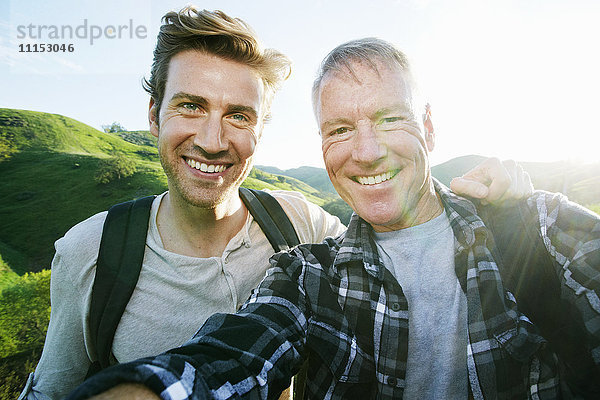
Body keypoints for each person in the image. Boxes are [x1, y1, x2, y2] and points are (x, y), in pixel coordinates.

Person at [17, 9, 523, 400]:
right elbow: (48, 389)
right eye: (191, 105)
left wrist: (507, 205)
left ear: (261, 130)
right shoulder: (93, 250)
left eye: (239, 116)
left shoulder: (301, 226)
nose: (213, 140)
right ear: (154, 114)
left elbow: (397, 234)